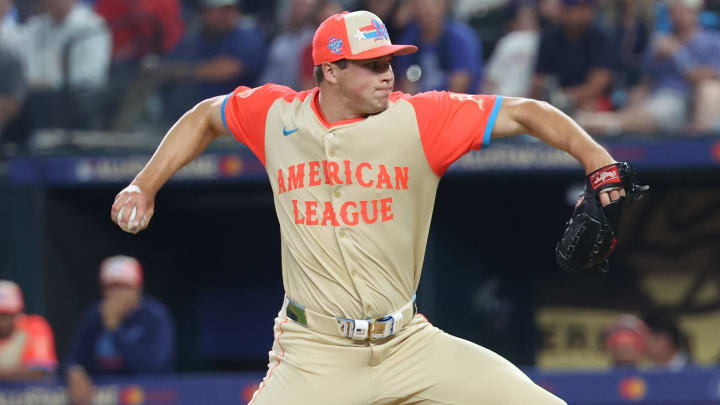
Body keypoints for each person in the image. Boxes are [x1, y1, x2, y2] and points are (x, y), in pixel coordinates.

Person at [110, 10, 629, 404]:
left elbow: (526, 112)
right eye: (373, 64)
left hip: (408, 343)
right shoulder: (276, 116)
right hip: (315, 353)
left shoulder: (421, 119)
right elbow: (205, 115)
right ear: (329, 70)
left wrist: (596, 159)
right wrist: (144, 184)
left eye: (391, 62)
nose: (389, 74)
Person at [578, 0, 720, 134]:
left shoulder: (712, 40)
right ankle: (609, 124)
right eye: (673, 11)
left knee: (666, 106)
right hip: (657, 95)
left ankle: (605, 123)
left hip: (686, 97)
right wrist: (637, 95)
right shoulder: (659, 41)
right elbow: (647, 78)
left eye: (682, 10)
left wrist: (679, 55)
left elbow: (708, 78)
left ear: (694, 12)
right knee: (639, 101)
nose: (677, 15)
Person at [65, 256, 175, 405]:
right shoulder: (94, 315)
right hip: (101, 397)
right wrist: (75, 371)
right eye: (110, 287)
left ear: (137, 289)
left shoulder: (155, 316)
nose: (115, 293)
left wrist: (115, 328)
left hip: (148, 398)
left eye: (123, 286)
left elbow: (151, 366)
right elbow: (74, 358)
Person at [532, 0, 614, 113]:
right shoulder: (549, 37)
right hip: (553, 99)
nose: (583, 13)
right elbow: (538, 79)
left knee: (591, 106)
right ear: (563, 10)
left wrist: (567, 97)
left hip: (590, 101)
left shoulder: (601, 38)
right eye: (578, 8)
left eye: (587, 7)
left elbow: (600, 81)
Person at [395, 0, 483, 94]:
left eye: (433, 5)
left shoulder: (461, 38)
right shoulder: (408, 39)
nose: (427, 11)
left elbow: (459, 86)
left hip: (458, 104)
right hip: (420, 104)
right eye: (420, 6)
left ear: (445, 6)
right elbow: (407, 85)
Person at [0, 280, 58, 381]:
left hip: (31, 395)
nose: (3, 321)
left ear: (18, 312)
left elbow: (40, 370)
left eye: (7, 315)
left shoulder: (34, 325)